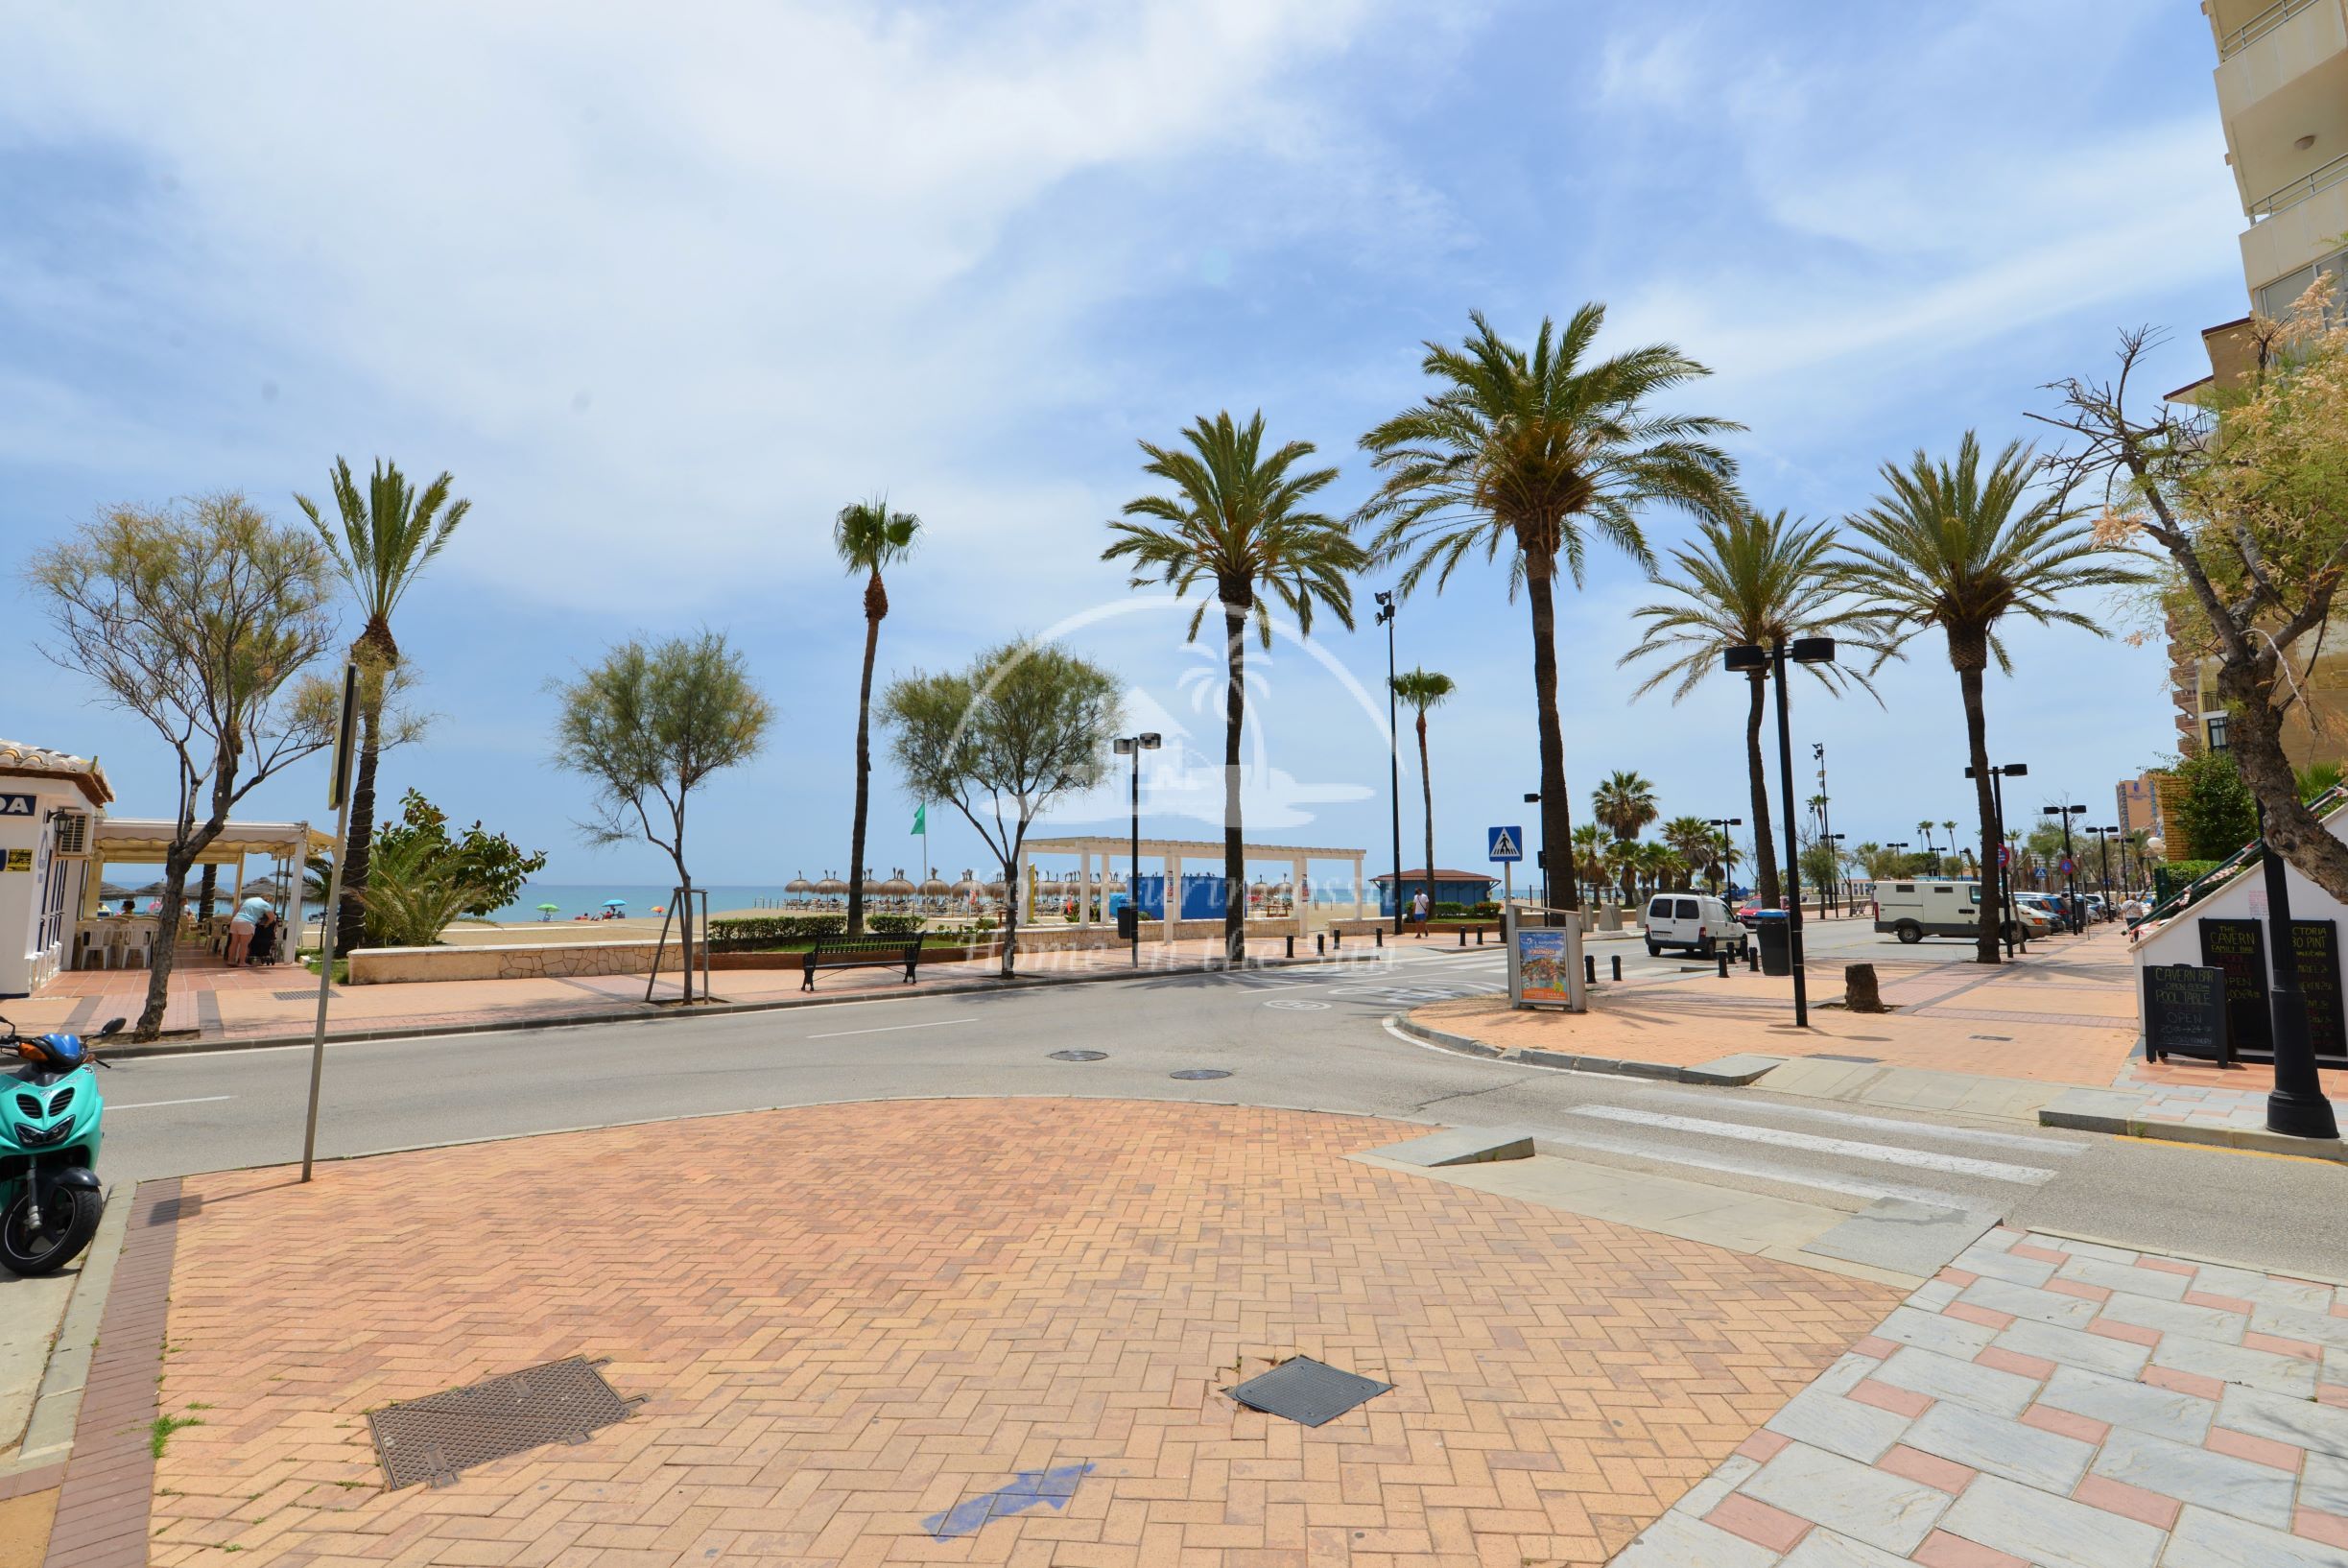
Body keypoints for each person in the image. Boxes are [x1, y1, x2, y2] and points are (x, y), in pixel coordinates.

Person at [226, 892, 270, 965]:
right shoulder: (264, 904)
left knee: (234, 943)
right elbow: (271, 917)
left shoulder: (247, 900)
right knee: (244, 944)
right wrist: (267, 924)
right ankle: (242, 962)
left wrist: (232, 920)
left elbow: (236, 910)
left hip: (236, 921)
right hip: (247, 922)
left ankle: (230, 960)